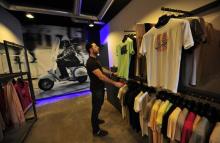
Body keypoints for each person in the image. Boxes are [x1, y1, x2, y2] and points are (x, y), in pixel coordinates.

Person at [85, 42, 124, 137]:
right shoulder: (90, 62)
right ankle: (96, 130)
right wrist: (115, 83)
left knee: (99, 104)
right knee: (96, 107)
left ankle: (96, 119)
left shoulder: (95, 60)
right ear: (90, 49)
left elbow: (101, 69)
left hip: (99, 88)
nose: (98, 47)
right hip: (96, 89)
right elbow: (101, 76)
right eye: (95, 46)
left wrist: (111, 73)